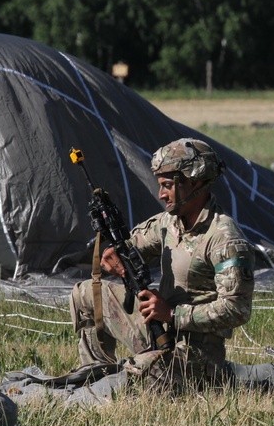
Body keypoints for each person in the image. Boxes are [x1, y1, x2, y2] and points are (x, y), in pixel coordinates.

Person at [69, 138, 256, 388]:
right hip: (155, 328)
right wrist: (116, 255)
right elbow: (132, 246)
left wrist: (171, 314)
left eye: (168, 185)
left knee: (138, 383)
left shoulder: (224, 238)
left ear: (194, 182)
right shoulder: (168, 224)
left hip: (195, 353)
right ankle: (93, 372)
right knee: (86, 294)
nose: (161, 194)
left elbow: (236, 309)